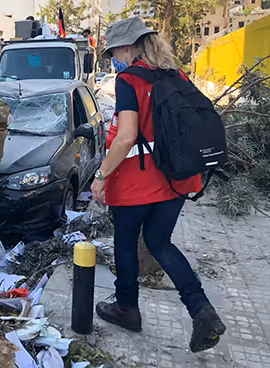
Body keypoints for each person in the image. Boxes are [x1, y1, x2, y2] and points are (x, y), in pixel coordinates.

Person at [90, 17, 226, 353]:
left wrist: (101, 176)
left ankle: (128, 310)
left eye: (114, 51)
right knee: (159, 242)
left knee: (124, 244)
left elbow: (125, 138)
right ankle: (202, 311)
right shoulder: (175, 75)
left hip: (136, 182)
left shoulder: (128, 81)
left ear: (128, 46)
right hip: (176, 179)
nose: (114, 58)